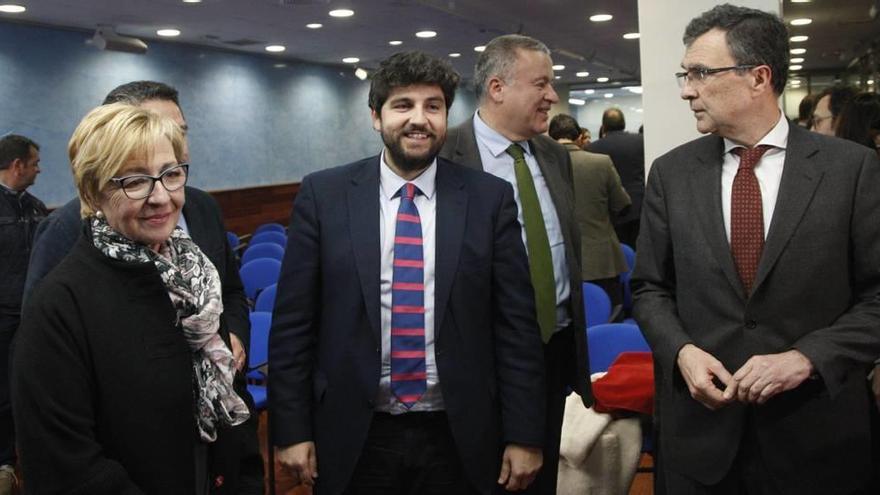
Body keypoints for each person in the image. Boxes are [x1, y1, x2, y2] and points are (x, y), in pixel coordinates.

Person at [269, 51, 546, 495]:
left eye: (433, 106)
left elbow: (516, 328)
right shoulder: (324, 195)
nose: (419, 119)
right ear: (376, 117)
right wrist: (292, 429)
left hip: (461, 432)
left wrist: (525, 434)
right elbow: (293, 325)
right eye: (403, 105)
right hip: (354, 431)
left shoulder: (488, 199)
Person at [632, 4, 880, 494]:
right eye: (686, 74)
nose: (687, 89)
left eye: (701, 73)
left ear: (758, 77)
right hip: (700, 443)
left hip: (818, 438)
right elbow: (648, 288)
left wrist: (807, 358)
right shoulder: (671, 174)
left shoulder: (852, 171)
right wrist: (681, 352)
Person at [21, 82, 263, 493]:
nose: (161, 197)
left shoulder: (195, 278)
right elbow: (67, 462)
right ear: (94, 190)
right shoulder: (60, 304)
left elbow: (230, 406)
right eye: (134, 181)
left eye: (171, 174)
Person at [440, 34, 591, 495]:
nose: (554, 96)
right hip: (480, 361)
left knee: (540, 476)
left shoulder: (553, 155)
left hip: (554, 347)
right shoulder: (445, 158)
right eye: (541, 84)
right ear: (498, 88)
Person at [0, 134, 46, 493]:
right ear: (17, 166)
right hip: (2, 316)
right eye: (34, 163)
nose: (38, 169)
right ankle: (5, 462)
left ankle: (32, 459)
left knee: (31, 389)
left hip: (34, 315)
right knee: (3, 392)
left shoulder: (36, 207)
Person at [548, 113, 630, 307]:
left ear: (550, 138)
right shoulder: (601, 162)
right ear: (578, 137)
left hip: (559, 263)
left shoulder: (540, 166)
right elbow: (622, 203)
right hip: (602, 261)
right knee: (609, 316)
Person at [587, 107, 644, 248]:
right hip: (640, 206)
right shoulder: (641, 141)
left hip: (610, 210)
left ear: (604, 126)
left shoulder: (593, 148)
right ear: (624, 123)